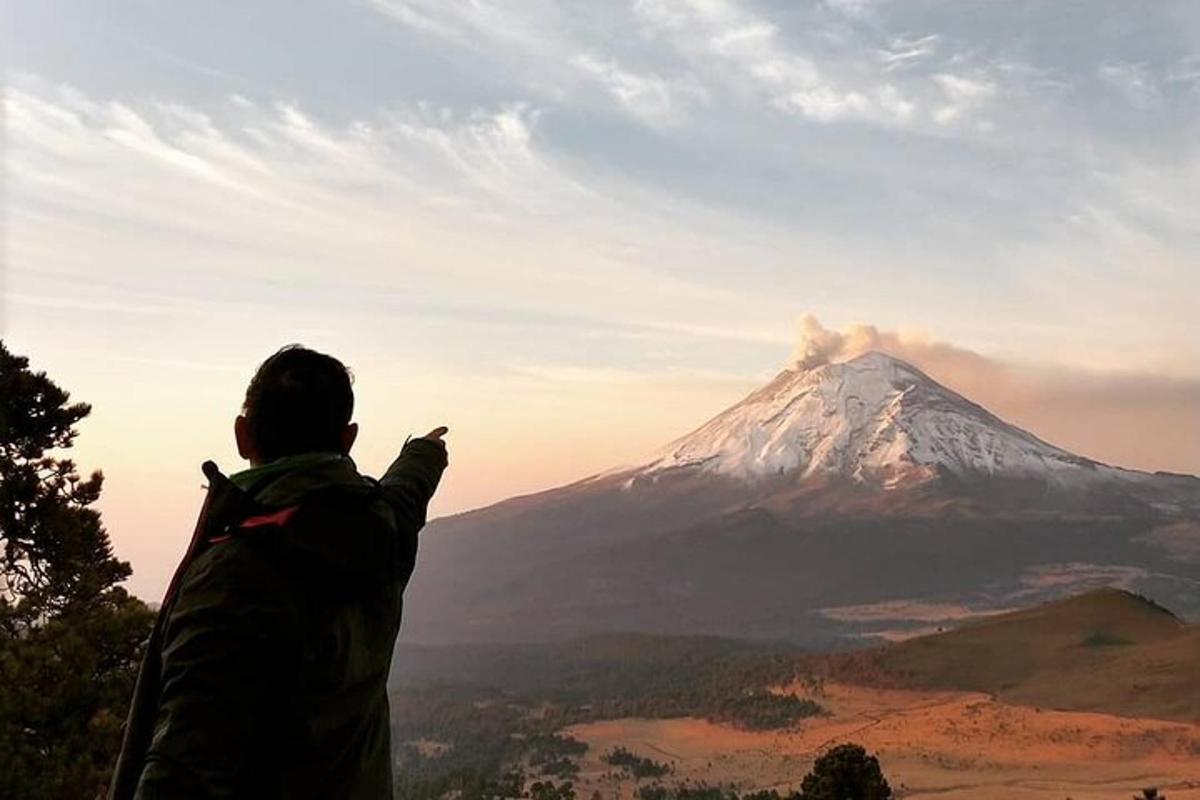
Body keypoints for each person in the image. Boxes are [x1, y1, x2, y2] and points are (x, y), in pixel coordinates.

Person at [109, 345, 448, 800]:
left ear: (242, 435)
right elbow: (406, 494)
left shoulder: (232, 575)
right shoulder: (380, 533)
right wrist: (424, 453)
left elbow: (182, 773)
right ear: (348, 438)